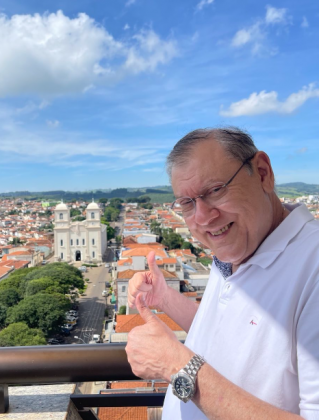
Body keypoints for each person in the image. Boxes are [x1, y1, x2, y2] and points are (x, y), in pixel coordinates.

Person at [125, 128, 319, 420]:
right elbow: (224, 334)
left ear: (263, 173)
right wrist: (164, 298)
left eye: (216, 190)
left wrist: (178, 367)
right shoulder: (237, 247)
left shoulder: (311, 267)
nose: (202, 218)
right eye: (187, 203)